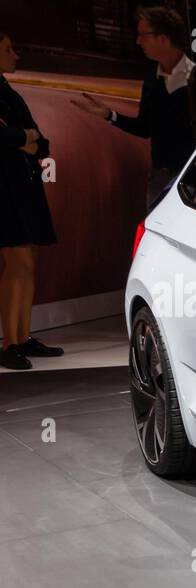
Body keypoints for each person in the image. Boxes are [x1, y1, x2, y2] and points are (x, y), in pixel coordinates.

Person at [73, 4, 196, 204]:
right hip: (160, 178)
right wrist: (109, 115)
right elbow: (144, 127)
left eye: (143, 35)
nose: (138, 41)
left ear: (163, 39)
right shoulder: (152, 80)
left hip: (193, 179)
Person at [0, 31, 61, 371]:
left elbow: (43, 143)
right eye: (8, 49)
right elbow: (15, 136)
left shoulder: (9, 92)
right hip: (4, 188)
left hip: (22, 184)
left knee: (29, 257)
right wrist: (24, 137)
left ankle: (22, 338)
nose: (15, 55)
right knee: (18, 260)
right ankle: (9, 342)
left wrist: (23, 138)